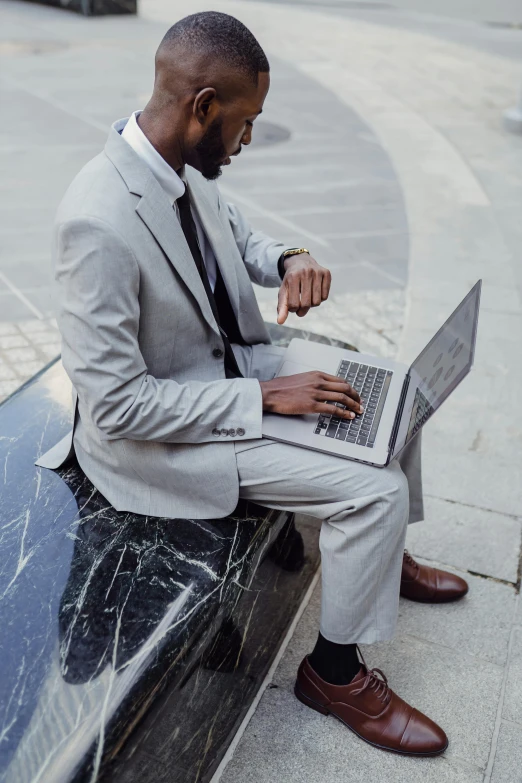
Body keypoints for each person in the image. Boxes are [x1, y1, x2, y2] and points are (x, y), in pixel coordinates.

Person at [36, 11, 468, 757]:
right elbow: (115, 405)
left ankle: (378, 559)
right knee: (374, 489)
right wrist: (266, 397)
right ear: (203, 104)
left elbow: (237, 233)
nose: (247, 139)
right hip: (162, 438)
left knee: (395, 385)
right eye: (245, 121)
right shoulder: (96, 221)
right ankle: (334, 674)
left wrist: (292, 256)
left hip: (232, 369)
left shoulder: (177, 164)